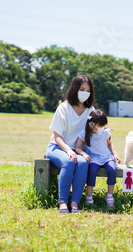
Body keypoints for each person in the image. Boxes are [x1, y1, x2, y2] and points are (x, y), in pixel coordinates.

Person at [46, 75, 95, 214]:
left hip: (79, 150)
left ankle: (75, 202)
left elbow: (94, 133)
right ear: (74, 89)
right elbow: (57, 136)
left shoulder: (90, 110)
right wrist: (68, 150)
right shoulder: (63, 108)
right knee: (68, 162)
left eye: (88, 90)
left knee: (82, 163)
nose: (85, 93)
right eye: (81, 89)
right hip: (57, 147)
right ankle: (62, 202)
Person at [75, 109, 121, 208]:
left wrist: (115, 154)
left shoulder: (105, 132)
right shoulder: (84, 133)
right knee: (92, 171)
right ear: (92, 124)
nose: (102, 128)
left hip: (107, 156)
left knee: (112, 169)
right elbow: (77, 148)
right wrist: (84, 154)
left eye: (103, 125)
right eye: (100, 126)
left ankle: (109, 195)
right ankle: (89, 196)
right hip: (94, 158)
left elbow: (109, 144)